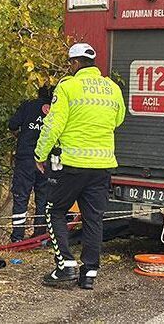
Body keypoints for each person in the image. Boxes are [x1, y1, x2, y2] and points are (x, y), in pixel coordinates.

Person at [34, 43, 125, 290]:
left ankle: (65, 265)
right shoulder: (112, 88)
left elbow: (53, 125)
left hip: (73, 165)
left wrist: (40, 154)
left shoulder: (68, 87)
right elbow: (119, 119)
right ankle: (89, 273)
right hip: (103, 165)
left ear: (74, 63)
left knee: (55, 210)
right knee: (93, 218)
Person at [8, 85, 54, 241]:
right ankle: (40, 236)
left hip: (26, 158)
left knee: (21, 197)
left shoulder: (28, 106)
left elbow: (12, 125)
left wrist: (22, 136)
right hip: (46, 160)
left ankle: (17, 237)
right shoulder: (57, 108)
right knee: (43, 197)